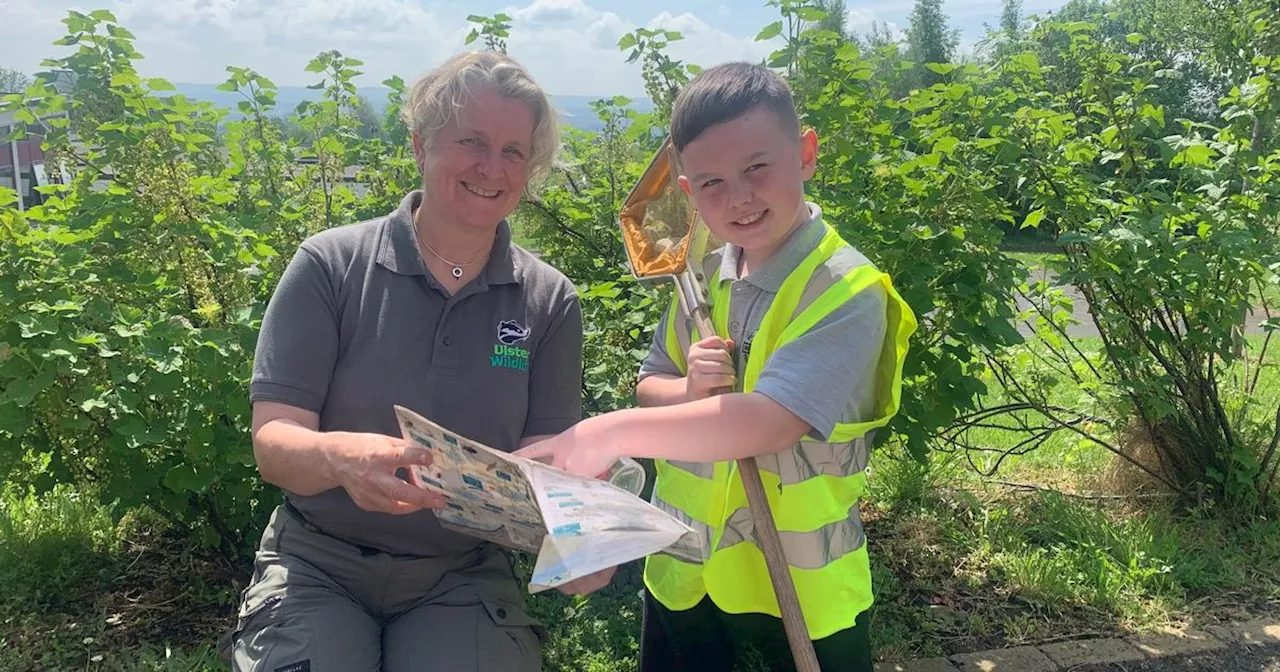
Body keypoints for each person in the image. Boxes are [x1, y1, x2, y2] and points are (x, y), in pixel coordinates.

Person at [516, 62, 917, 671]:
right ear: (686, 193)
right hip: (684, 575)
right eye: (711, 183)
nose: (739, 197)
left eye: (758, 167)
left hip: (799, 598)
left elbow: (771, 422)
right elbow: (650, 387)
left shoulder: (846, 290)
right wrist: (688, 389)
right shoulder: (697, 279)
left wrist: (604, 430)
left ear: (805, 153)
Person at [223, 50, 613, 672]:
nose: (493, 167)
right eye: (471, 141)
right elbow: (273, 444)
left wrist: (578, 534)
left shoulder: (550, 301)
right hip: (318, 560)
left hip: (462, 574)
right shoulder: (330, 266)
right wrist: (339, 459)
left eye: (514, 151)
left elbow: (548, 457)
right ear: (420, 146)